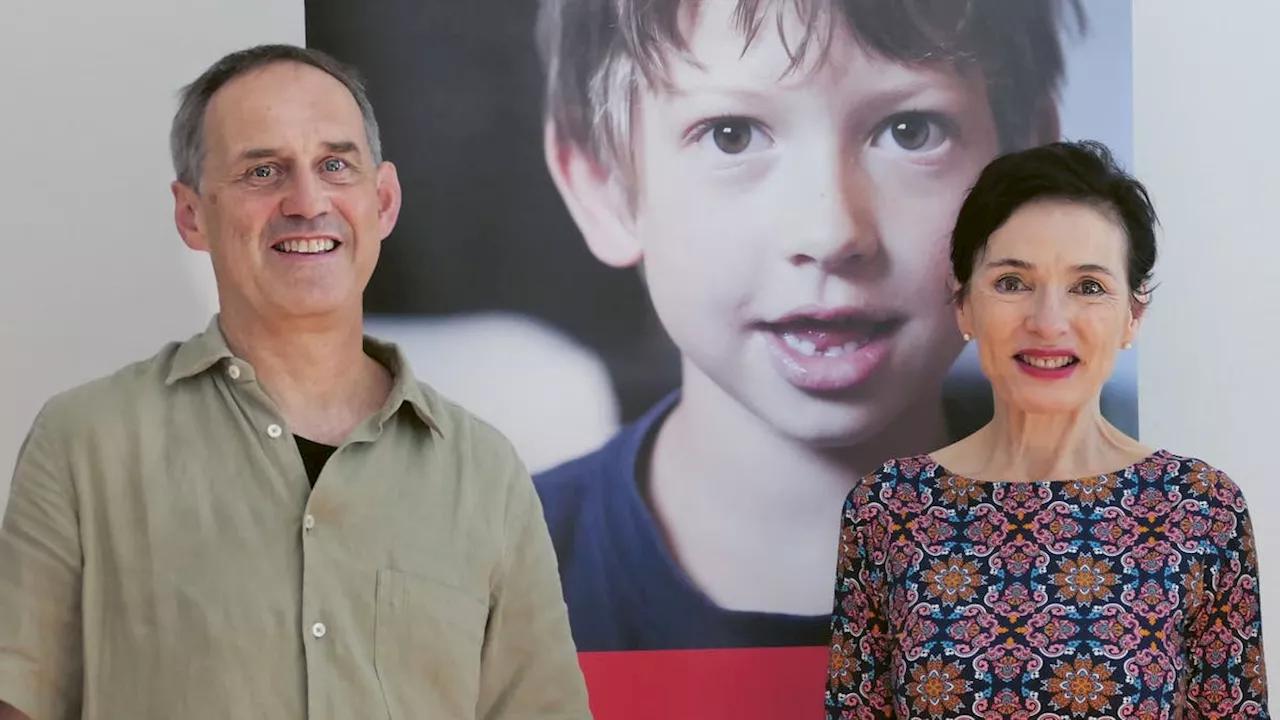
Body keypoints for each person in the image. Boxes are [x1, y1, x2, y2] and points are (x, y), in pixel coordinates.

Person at [0, 44, 591, 720]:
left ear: (384, 200)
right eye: (263, 171)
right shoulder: (84, 445)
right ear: (192, 213)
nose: (307, 201)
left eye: (335, 165)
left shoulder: (485, 472)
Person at [533, 0, 1085, 651]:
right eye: (731, 134)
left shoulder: (1131, 581)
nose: (831, 234)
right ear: (603, 185)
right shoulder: (476, 583)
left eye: (912, 132)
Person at [825, 140, 1270, 718]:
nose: (1048, 321)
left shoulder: (1201, 509)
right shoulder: (889, 508)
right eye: (1012, 282)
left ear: (1133, 315)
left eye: (1088, 287)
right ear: (963, 305)